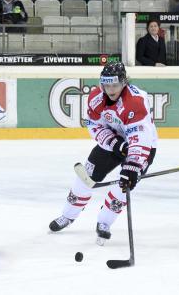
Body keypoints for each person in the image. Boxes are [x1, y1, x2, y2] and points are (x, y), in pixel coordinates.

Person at [49, 62, 158, 245]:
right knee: (87, 175)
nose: (110, 89)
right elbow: (94, 125)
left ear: (124, 82)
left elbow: (141, 137)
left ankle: (105, 222)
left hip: (142, 147)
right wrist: (115, 143)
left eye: (114, 85)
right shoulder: (96, 98)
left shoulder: (136, 101)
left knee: (124, 184)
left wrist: (132, 166)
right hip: (113, 142)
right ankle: (67, 216)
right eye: (106, 85)